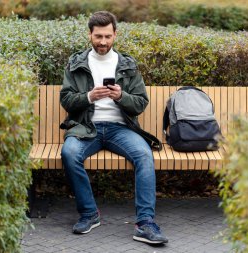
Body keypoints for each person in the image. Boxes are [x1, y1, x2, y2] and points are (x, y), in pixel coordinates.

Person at [59, 11, 168, 245]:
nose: (103, 42)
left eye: (108, 36)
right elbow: (66, 100)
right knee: (69, 153)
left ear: (115, 34)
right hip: (86, 128)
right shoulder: (76, 63)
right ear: (90, 34)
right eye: (98, 36)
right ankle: (89, 213)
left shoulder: (127, 64)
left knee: (144, 155)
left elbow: (140, 103)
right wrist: (89, 96)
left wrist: (121, 97)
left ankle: (145, 223)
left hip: (121, 129)